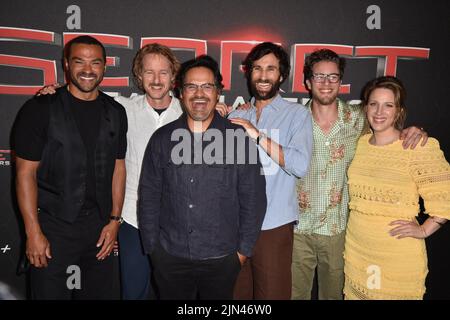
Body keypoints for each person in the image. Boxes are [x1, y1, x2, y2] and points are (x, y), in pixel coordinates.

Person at [291, 49, 428, 300]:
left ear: (340, 82)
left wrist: (416, 130)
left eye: (333, 77)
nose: (326, 83)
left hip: (338, 231)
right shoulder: (292, 120)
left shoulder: (359, 119)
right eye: (319, 76)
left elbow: (388, 128)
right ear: (308, 82)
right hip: (298, 229)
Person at [138, 55, 267, 299]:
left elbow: (254, 199)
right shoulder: (162, 139)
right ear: (180, 92)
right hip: (169, 257)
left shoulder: (237, 139)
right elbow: (149, 196)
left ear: (218, 92)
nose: (200, 94)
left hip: (222, 259)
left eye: (207, 86)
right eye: (191, 86)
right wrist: (153, 248)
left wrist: (242, 253)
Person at [13, 35, 127, 299]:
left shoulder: (115, 111)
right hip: (53, 225)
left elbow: (118, 167)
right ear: (66, 64)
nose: (88, 70)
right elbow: (24, 173)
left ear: (104, 67)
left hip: (99, 226)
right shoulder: (40, 108)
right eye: (80, 62)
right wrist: (33, 232)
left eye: (95, 63)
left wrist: (114, 221)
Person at [343, 76, 449, 300]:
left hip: (396, 254)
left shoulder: (418, 146)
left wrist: (424, 230)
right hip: (358, 250)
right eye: (373, 104)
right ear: (365, 108)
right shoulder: (361, 143)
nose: (379, 111)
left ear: (399, 111)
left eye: (388, 105)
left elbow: (445, 196)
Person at [228, 42, 313, 300]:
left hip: (273, 226)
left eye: (271, 69)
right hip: (235, 226)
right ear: (249, 73)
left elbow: (299, 166)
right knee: (235, 297)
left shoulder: (296, 115)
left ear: (282, 75)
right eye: (257, 68)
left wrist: (257, 135)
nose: (263, 76)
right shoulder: (235, 115)